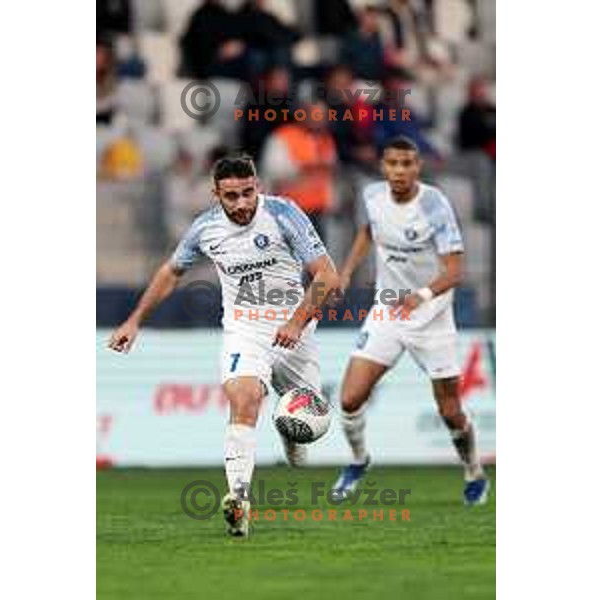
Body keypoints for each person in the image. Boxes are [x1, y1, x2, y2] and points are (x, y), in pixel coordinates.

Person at [108, 156, 339, 536]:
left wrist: (297, 321)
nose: (242, 204)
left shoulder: (284, 214)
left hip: (294, 328)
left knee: (305, 429)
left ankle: (290, 433)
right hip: (244, 331)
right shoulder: (206, 229)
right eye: (231, 196)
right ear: (216, 194)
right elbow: (170, 272)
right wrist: (135, 320)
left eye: (248, 193)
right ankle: (238, 499)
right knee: (245, 398)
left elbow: (326, 274)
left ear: (258, 186)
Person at [332, 136, 489, 506]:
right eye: (392, 164)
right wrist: (347, 271)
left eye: (407, 164)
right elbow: (368, 231)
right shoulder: (372, 196)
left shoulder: (434, 204)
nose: (399, 171)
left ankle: (473, 470)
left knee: (450, 412)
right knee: (350, 398)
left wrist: (419, 297)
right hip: (387, 310)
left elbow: (454, 271)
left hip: (431, 316)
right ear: (383, 167)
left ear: (418, 167)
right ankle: (358, 461)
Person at [259, 102, 338, 240]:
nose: (320, 119)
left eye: (323, 115)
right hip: (289, 211)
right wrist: (304, 168)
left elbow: (329, 174)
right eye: (316, 115)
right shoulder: (283, 136)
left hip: (319, 211)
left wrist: (332, 201)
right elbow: (272, 171)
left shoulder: (326, 138)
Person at [458, 76, 496, 160]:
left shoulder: (492, 110)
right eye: (477, 89)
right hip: (477, 154)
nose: (481, 92)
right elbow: (471, 137)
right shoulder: (466, 113)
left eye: (482, 88)